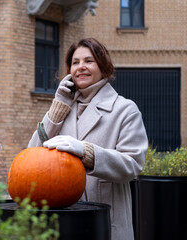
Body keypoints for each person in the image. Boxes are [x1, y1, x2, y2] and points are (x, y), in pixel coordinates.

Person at [28, 37, 148, 240]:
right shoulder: (63, 107)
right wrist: (57, 110)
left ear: (103, 65)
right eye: (75, 62)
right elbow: (31, 156)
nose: (80, 67)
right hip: (62, 221)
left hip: (106, 222)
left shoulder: (125, 109)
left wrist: (87, 151)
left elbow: (133, 164)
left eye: (88, 61)